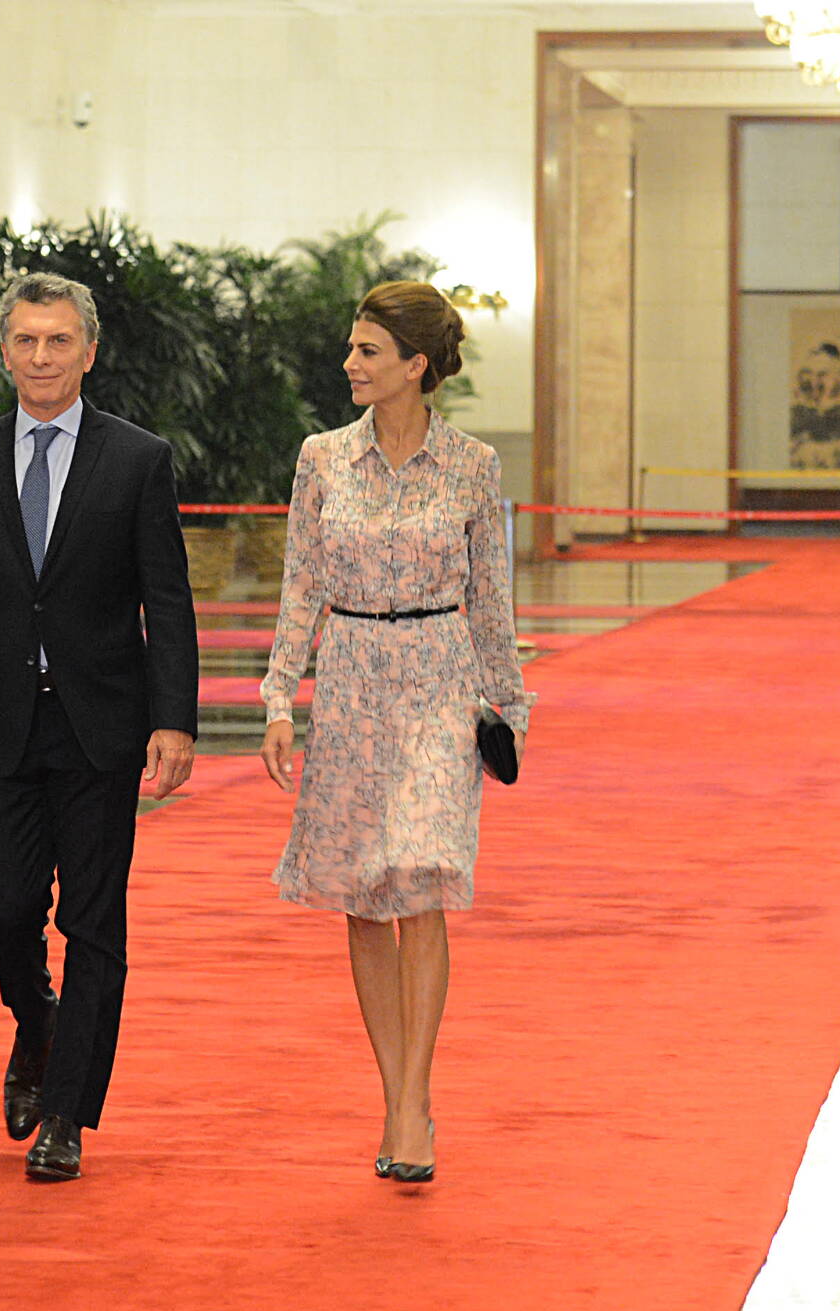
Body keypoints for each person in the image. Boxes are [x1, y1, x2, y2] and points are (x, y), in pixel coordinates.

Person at [0, 272, 198, 1182]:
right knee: (5, 912)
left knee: (95, 923)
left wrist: (175, 720)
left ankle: (67, 1114)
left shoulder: (138, 458)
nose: (41, 356)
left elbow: (167, 599)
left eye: (59, 341)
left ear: (89, 351)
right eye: (26, 341)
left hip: (100, 725)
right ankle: (37, 1028)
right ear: (4, 351)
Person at [259, 281, 532, 1186]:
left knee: (421, 880)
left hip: (438, 680)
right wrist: (276, 699)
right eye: (351, 348)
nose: (349, 364)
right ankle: (392, 1092)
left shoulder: (472, 467)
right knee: (364, 896)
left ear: (417, 365)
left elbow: (491, 594)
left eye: (368, 350)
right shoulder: (321, 460)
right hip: (349, 683)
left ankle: (415, 1102)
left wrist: (508, 706)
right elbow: (301, 581)